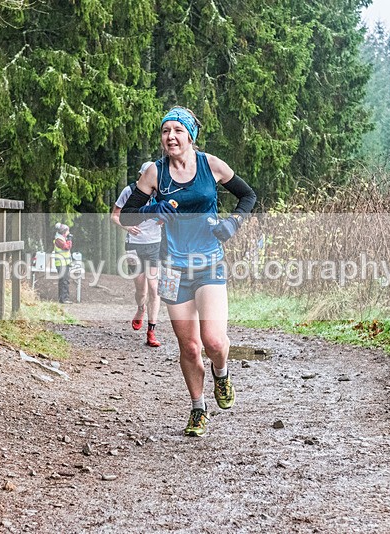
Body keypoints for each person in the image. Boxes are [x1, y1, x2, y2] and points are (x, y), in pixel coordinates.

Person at [120, 106, 256, 437]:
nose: (170, 137)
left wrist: (232, 223)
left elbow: (247, 196)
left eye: (177, 131)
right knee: (190, 348)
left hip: (208, 261)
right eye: (166, 131)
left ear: (190, 136)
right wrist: (153, 207)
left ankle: (221, 373)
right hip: (171, 266)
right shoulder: (155, 173)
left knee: (212, 341)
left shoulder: (211, 166)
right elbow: (126, 216)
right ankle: (198, 408)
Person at [111, 161, 162, 347]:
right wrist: (126, 226)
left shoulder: (161, 193)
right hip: (134, 245)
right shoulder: (129, 191)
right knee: (141, 289)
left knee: (154, 288)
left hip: (155, 244)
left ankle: (151, 331)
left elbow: (173, 211)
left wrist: (166, 219)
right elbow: (114, 216)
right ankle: (140, 308)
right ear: (141, 175)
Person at [52, 222, 73, 304]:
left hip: (65, 263)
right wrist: (70, 240)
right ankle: (64, 299)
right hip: (61, 264)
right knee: (63, 281)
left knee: (65, 281)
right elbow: (66, 247)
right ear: (64, 232)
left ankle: (64, 298)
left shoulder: (62, 238)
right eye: (67, 231)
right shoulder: (59, 240)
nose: (69, 233)